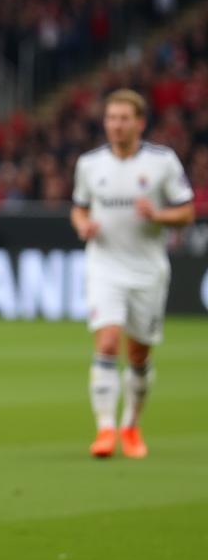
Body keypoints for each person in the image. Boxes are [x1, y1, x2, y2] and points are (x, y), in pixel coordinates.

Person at [71, 89, 194, 459]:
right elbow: (78, 208)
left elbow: (187, 211)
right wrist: (83, 226)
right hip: (104, 265)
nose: (117, 125)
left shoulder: (162, 162)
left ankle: (132, 426)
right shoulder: (90, 164)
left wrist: (158, 215)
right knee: (107, 342)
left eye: (124, 118)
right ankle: (105, 429)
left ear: (140, 123)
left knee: (138, 353)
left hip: (147, 269)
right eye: (111, 118)